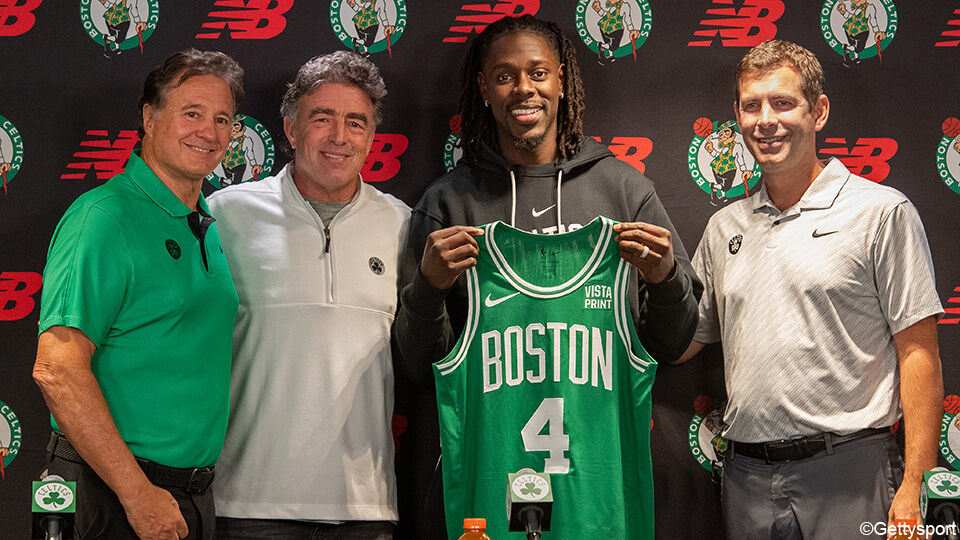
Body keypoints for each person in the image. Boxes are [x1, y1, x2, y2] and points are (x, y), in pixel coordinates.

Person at [392, 14, 701, 537]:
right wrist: (428, 290)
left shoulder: (625, 193)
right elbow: (419, 365)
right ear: (484, 88)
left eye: (538, 72)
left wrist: (666, 278)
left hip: (598, 501)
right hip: (489, 495)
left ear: (562, 80)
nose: (523, 89)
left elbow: (672, 344)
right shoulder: (447, 203)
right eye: (505, 75)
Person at [678, 39, 943, 538]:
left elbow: (919, 351)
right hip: (745, 478)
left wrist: (916, 483)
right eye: (752, 105)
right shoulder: (722, 228)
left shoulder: (880, 212)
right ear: (737, 115)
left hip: (851, 471)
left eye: (783, 103)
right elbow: (686, 340)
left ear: (818, 111)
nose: (766, 119)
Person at [33, 49, 244, 540]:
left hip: (184, 497)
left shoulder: (204, 223)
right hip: (109, 494)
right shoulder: (104, 218)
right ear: (149, 117)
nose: (208, 132)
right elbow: (56, 368)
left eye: (223, 119)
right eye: (191, 113)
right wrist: (136, 494)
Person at [208, 51, 408, 540]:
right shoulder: (225, 216)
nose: (339, 136)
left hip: (365, 510)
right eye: (322, 119)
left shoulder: (402, 223)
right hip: (248, 504)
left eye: (355, 123)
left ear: (371, 139)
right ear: (291, 130)